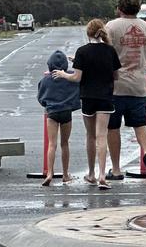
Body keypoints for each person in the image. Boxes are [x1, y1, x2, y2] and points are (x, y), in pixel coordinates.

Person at [52, 19, 120, 190]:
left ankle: (91, 173)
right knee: (102, 136)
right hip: (106, 97)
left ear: (88, 33)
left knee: (91, 136)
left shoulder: (82, 52)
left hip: (88, 98)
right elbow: (116, 76)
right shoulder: (110, 51)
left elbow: (76, 78)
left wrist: (62, 74)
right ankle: (103, 175)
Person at [105, 0, 146, 182]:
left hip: (115, 86)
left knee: (112, 127)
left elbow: (103, 54)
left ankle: (116, 169)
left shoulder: (111, 27)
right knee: (140, 123)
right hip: (138, 85)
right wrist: (143, 67)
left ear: (119, 7)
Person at [36, 50, 80, 187]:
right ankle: (65, 174)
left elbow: (41, 97)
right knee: (65, 143)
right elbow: (79, 88)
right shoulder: (69, 77)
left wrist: (47, 104)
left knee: (52, 144)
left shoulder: (46, 80)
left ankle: (50, 173)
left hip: (52, 113)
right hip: (66, 112)